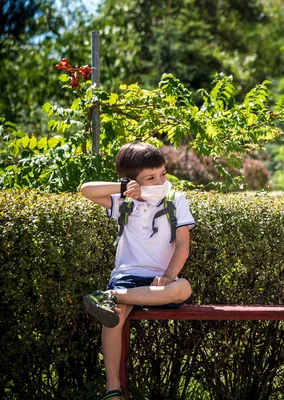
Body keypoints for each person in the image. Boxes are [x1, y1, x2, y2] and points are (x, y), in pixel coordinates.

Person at [80, 142, 195, 400]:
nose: (160, 181)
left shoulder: (176, 200)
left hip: (159, 281)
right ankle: (112, 390)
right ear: (133, 181)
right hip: (127, 278)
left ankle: (110, 296)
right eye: (150, 178)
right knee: (114, 317)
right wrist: (123, 189)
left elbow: (183, 247)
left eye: (163, 174)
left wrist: (168, 275)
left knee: (183, 288)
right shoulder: (123, 202)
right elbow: (85, 190)